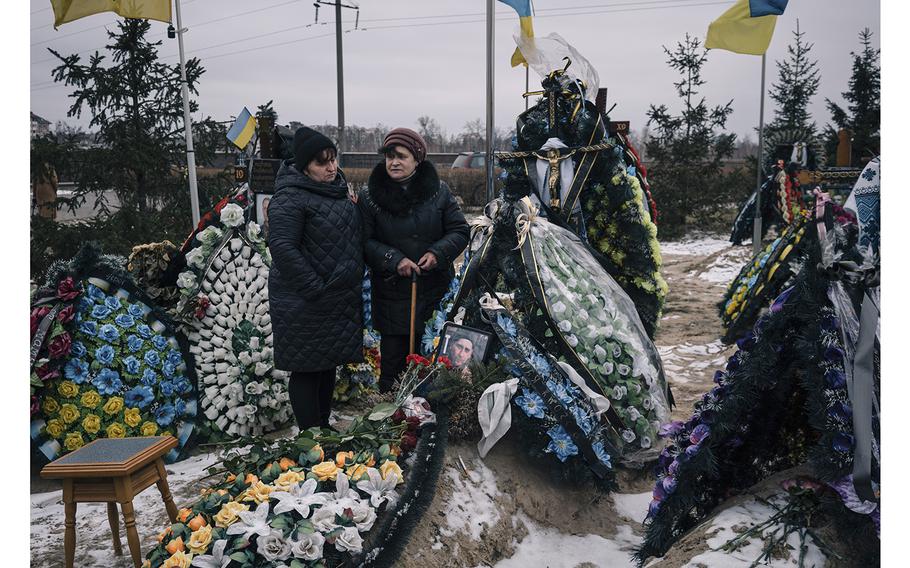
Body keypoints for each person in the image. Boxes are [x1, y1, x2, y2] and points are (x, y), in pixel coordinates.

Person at [359, 128, 470, 393]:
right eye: (389, 156)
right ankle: (392, 420)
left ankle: (428, 422)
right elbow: (363, 241)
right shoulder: (370, 196)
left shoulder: (439, 192)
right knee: (394, 367)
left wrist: (437, 253)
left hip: (433, 292)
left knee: (432, 364)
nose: (393, 162)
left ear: (417, 159)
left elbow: (459, 230)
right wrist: (393, 259)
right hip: (392, 293)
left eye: (401, 156)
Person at [268, 127, 363, 430]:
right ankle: (310, 434)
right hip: (305, 298)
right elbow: (282, 247)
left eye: (333, 159)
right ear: (305, 165)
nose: (331, 167)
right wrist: (313, 287)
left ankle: (323, 425)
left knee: (326, 365)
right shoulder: (290, 198)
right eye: (322, 162)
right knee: (307, 369)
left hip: (333, 295)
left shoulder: (335, 190)